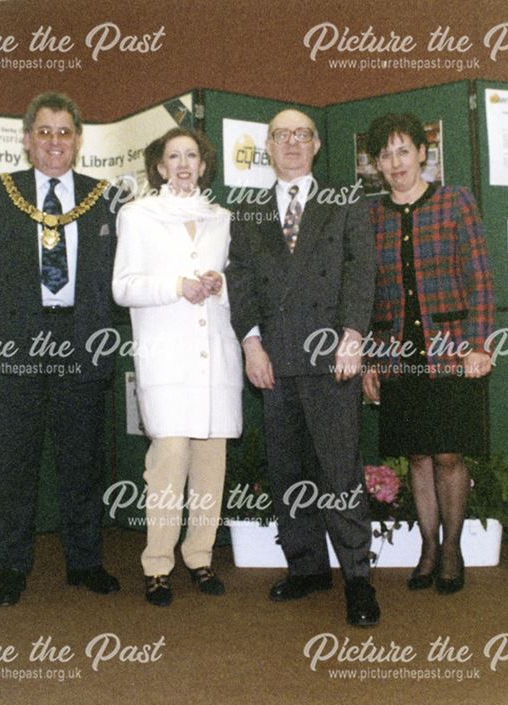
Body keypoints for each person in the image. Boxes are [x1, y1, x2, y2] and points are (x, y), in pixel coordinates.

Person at [0, 92, 120, 606]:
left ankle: (85, 562)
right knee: (13, 461)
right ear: (27, 139)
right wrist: (20, 313)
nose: (55, 141)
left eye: (65, 132)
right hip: (16, 343)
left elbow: (116, 276)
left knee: (82, 460)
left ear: (78, 140)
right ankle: (10, 566)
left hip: (82, 342)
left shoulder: (105, 197)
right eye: (45, 131)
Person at [227, 109, 379, 627]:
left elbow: (362, 272)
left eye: (301, 134)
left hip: (333, 357)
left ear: (316, 145)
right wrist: (251, 346)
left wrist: (353, 337)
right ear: (267, 146)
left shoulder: (345, 199)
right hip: (276, 360)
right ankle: (307, 568)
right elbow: (241, 281)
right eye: (280, 135)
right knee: (289, 473)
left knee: (339, 472)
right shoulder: (246, 210)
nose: (291, 142)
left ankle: (358, 578)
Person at [360, 112, 496, 596]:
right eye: (385, 154)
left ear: (423, 153)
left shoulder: (456, 201)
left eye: (403, 151)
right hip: (399, 353)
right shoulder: (371, 216)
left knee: (448, 456)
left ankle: (453, 548)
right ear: (376, 164)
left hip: (453, 351)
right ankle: (428, 549)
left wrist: (479, 345)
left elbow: (479, 277)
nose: (395, 163)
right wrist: (372, 360)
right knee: (418, 454)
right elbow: (368, 295)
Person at [112, 127, 243, 606]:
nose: (184, 164)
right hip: (165, 357)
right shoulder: (138, 214)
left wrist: (217, 283)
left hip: (216, 355)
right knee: (168, 462)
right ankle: (158, 565)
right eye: (174, 156)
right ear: (161, 167)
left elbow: (237, 284)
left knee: (211, 465)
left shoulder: (222, 218)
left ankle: (201, 556)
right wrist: (176, 286)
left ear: (204, 165)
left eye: (192, 155)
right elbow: (122, 287)